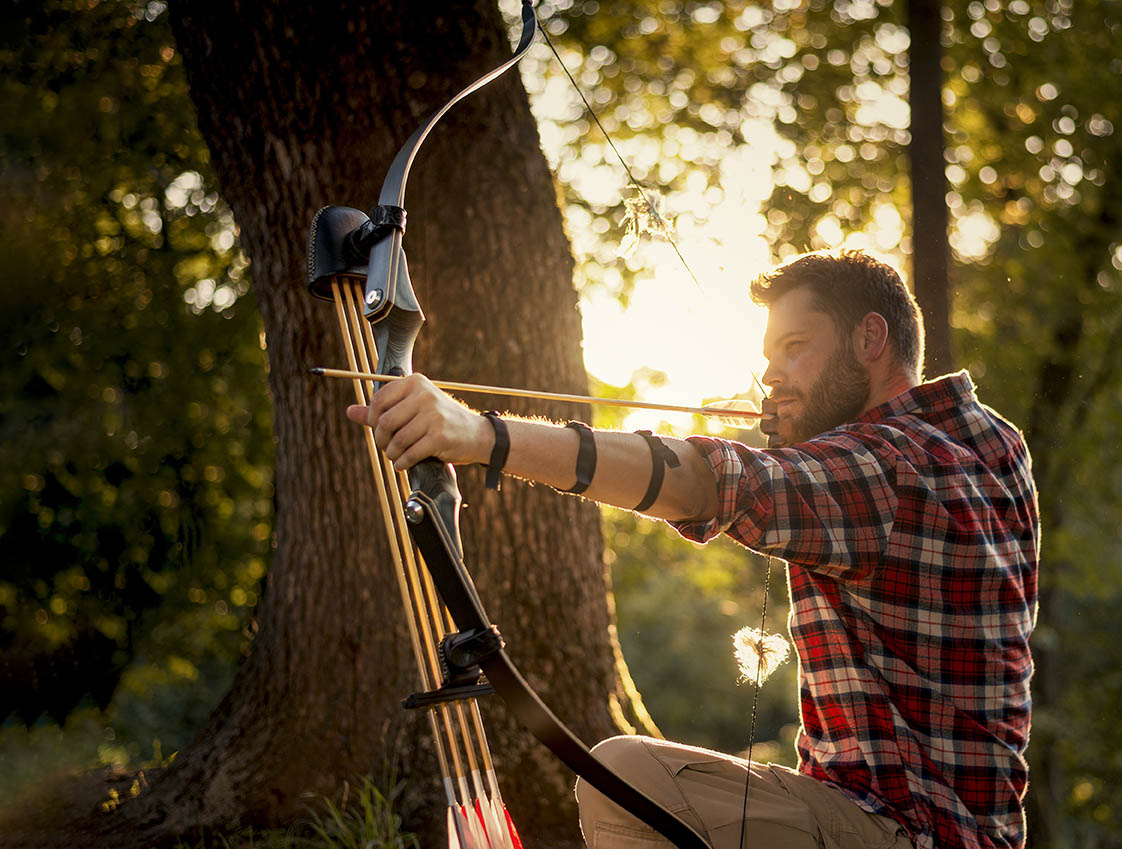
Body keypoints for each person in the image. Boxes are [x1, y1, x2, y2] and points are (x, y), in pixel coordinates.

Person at [348, 248, 1040, 849]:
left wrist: (479, 437)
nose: (772, 376)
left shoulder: (891, 469)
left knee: (624, 775)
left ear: (870, 338)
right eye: (768, 358)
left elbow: (712, 482)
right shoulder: (988, 444)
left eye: (796, 345)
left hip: (903, 830)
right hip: (945, 826)